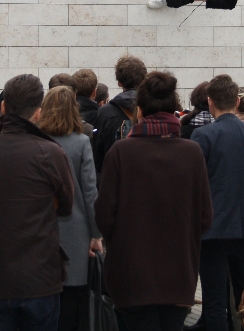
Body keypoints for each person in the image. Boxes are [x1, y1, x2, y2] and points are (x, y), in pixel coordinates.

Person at [95, 71, 212, 331]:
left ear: (140, 110)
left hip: (130, 274)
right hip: (179, 273)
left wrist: (124, 241)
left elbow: (104, 214)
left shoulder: (121, 152)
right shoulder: (192, 152)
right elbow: (205, 216)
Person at [0, 74, 74, 331]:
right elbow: (66, 205)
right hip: (40, 274)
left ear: (4, 107)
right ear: (38, 113)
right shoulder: (50, 152)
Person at [189, 75, 244, 331]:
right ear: (237, 102)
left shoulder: (202, 136)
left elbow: (194, 183)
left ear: (210, 101)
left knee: (214, 300)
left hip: (212, 229)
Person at [36, 87, 102, 331]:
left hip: (40, 230)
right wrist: (96, 233)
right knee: (73, 302)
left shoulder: (36, 140)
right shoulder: (81, 142)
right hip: (76, 230)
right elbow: (89, 191)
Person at [92, 55, 147, 174]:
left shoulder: (105, 112)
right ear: (143, 80)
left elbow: (98, 155)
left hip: (115, 178)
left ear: (119, 82)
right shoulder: (154, 109)